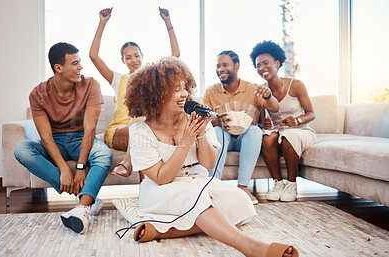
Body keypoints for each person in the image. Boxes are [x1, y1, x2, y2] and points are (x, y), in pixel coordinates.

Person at [124, 56, 298, 257]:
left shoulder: (196, 117)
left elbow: (208, 163)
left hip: (198, 181)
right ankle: (250, 247)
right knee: (194, 198)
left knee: (241, 200)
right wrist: (186, 141)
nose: (184, 94)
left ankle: (163, 230)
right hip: (160, 189)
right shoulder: (140, 131)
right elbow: (162, 178)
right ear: (156, 94)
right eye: (176, 89)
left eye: (185, 87)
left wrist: (200, 134)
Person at [14, 42, 113, 234]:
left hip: (81, 138)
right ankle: (89, 198)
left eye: (80, 62)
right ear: (58, 68)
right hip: (55, 141)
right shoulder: (38, 94)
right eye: (75, 63)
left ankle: (82, 209)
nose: (81, 67)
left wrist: (80, 167)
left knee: (104, 154)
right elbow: (46, 137)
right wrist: (63, 170)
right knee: (22, 149)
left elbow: (90, 129)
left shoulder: (91, 85)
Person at [89, 7, 180, 178]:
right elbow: (93, 56)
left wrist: (168, 23)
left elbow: (175, 56)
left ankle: (143, 189)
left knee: (144, 137)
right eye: (128, 57)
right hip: (118, 132)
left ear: (142, 56)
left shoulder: (152, 77)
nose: (133, 60)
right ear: (122, 60)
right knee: (141, 125)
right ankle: (127, 162)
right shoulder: (117, 79)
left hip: (144, 129)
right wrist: (102, 23)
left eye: (136, 56)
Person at [202, 50, 279, 204]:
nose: (220, 69)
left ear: (236, 66)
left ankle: (242, 187)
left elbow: (275, 108)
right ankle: (213, 186)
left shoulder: (252, 88)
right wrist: (215, 119)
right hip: (223, 137)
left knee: (255, 130)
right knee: (217, 131)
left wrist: (268, 96)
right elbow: (205, 120)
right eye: (217, 66)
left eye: (225, 65)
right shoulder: (211, 91)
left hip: (245, 139)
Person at [250, 40, 317, 202]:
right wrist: (261, 124)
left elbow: (311, 113)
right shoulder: (261, 90)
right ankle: (278, 183)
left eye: (265, 63)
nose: (261, 68)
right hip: (277, 134)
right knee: (267, 137)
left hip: (301, 132)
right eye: (258, 65)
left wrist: (297, 119)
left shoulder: (296, 85)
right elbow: (259, 119)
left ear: (277, 63)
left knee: (290, 135)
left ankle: (292, 184)